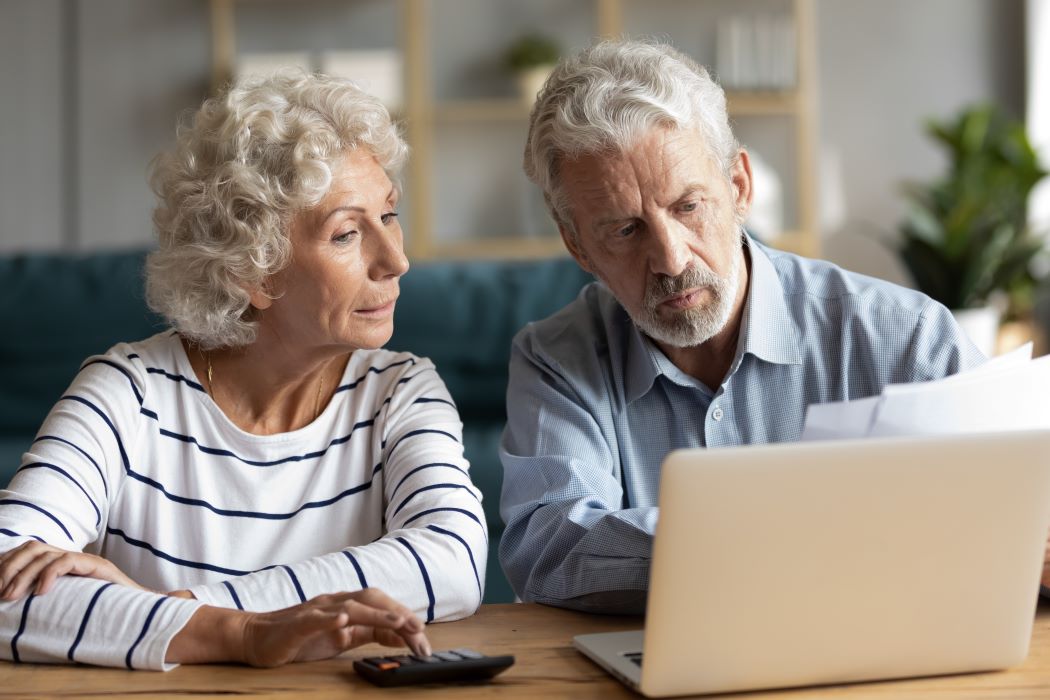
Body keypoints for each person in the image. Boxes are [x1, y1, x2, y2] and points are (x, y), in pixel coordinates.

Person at [0, 71, 486, 669]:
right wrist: (243, 634)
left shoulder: (402, 390)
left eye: (388, 215)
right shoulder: (128, 391)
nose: (397, 260)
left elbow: (453, 562)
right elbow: (5, 587)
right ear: (253, 273)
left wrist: (167, 611)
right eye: (347, 233)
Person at [499, 40, 988, 614]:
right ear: (577, 245)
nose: (672, 261)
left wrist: (720, 545)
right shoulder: (554, 359)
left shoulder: (908, 337)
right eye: (626, 230)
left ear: (739, 188)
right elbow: (549, 547)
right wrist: (790, 540)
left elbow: (1014, 511)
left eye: (688, 207)